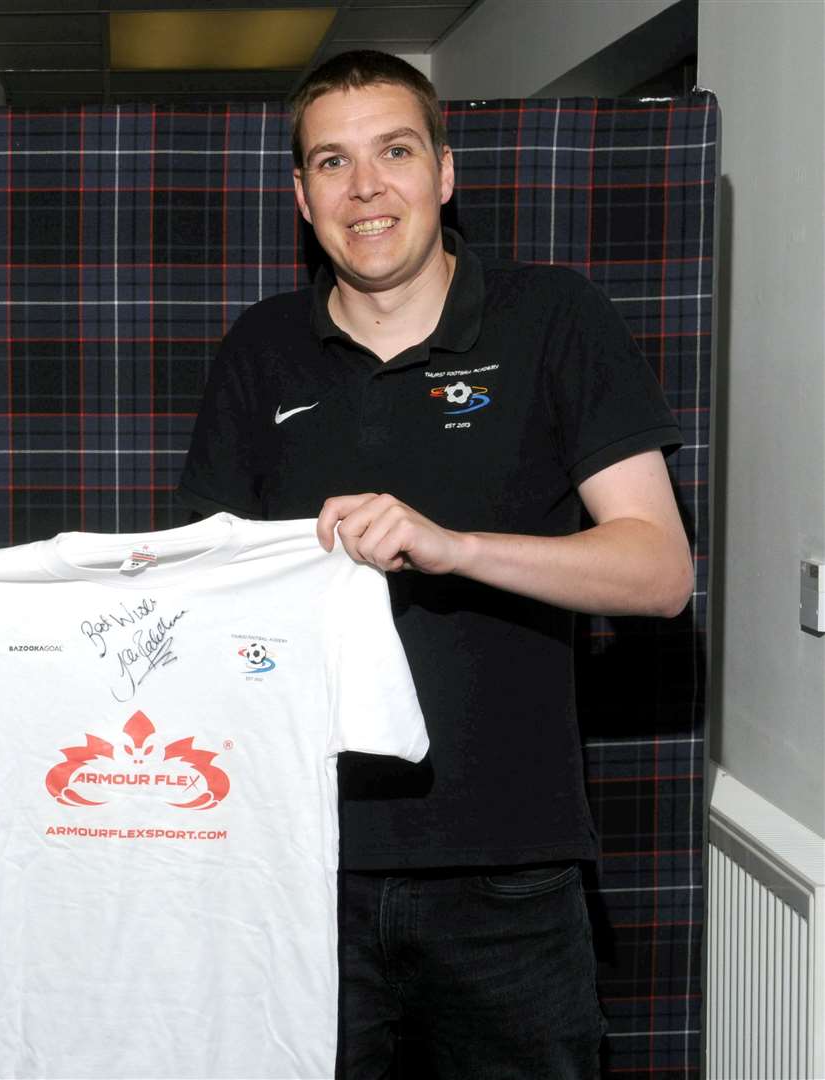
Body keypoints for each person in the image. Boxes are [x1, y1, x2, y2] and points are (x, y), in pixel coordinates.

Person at [178, 51, 693, 1079]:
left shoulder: (553, 319)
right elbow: (205, 595)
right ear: (300, 194)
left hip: (511, 871)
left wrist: (450, 547)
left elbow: (658, 572)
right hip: (303, 864)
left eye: (394, 151)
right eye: (332, 162)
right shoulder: (259, 348)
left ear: (444, 174)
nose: (365, 187)